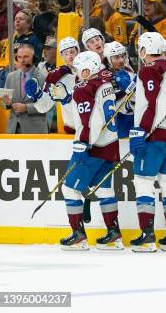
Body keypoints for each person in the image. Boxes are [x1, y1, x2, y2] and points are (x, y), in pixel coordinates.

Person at [129, 32, 166, 252]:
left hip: (156, 135)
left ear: (143, 51)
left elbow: (153, 105)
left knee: (143, 181)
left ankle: (147, 236)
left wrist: (140, 131)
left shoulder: (149, 69)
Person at [59, 51, 121, 251]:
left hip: (92, 148)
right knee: (104, 189)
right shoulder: (105, 85)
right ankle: (113, 234)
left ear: (87, 69)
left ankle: (78, 236)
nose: (77, 73)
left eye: (78, 69)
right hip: (110, 145)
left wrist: (83, 142)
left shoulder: (84, 88)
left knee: (69, 189)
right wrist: (67, 100)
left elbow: (89, 119)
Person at [25, 36, 80, 134]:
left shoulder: (91, 69)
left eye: (72, 51)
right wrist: (37, 95)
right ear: (61, 56)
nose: (69, 56)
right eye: (65, 53)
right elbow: (44, 107)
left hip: (94, 128)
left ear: (78, 51)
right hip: (72, 131)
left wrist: (69, 97)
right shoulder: (55, 75)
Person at [2, 44, 48, 134]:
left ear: (34, 58)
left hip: (35, 131)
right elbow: (3, 103)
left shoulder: (43, 78)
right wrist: (6, 103)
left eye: (26, 57)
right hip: (13, 129)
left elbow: (48, 105)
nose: (22, 60)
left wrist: (26, 108)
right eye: (19, 57)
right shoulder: (10, 76)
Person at [103, 41, 135, 138]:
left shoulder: (129, 73)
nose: (121, 60)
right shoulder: (103, 77)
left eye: (122, 56)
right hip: (114, 123)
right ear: (108, 60)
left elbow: (137, 98)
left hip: (131, 120)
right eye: (116, 57)